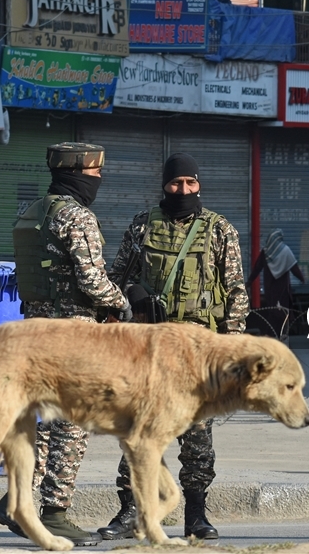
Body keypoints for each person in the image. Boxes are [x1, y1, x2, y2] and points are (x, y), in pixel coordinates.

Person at [100, 152, 250, 541]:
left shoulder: (219, 230)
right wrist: (134, 295)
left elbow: (236, 293)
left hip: (199, 351)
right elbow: (115, 278)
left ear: (199, 184)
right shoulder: (142, 226)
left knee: (196, 434)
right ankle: (130, 511)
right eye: (176, 183)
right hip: (150, 348)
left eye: (190, 183)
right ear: (164, 185)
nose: (183, 190)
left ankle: (196, 515)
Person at [0, 142, 131, 547]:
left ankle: (15, 501)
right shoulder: (77, 216)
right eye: (94, 174)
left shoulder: (32, 211)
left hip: (36, 332)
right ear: (76, 174)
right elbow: (92, 281)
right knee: (74, 423)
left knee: (48, 423)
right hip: (72, 336)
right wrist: (122, 303)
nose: (99, 180)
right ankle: (55, 513)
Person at [247, 228, 305, 310]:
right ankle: (286, 321)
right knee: (284, 307)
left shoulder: (265, 252)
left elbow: (257, 268)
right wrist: (302, 278)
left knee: (272, 307)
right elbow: (294, 268)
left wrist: (249, 281)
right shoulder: (286, 250)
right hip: (283, 286)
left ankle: (273, 321)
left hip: (269, 286)